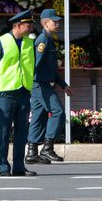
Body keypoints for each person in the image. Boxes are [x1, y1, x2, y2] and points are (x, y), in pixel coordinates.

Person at [0, 9, 37, 176]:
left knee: (22, 131)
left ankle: (19, 167)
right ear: (18, 25)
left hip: (23, 91)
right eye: (28, 25)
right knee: (3, 130)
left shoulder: (29, 43)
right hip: (6, 92)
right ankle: (3, 166)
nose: (30, 29)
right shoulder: (1, 42)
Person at [25, 9, 74, 165]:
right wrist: (28, 82)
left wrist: (63, 85)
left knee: (38, 117)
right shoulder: (42, 41)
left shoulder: (49, 39)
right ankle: (47, 148)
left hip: (43, 83)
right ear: (45, 23)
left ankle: (32, 152)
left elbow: (52, 69)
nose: (58, 24)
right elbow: (36, 64)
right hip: (40, 84)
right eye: (55, 21)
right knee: (58, 112)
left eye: (58, 21)